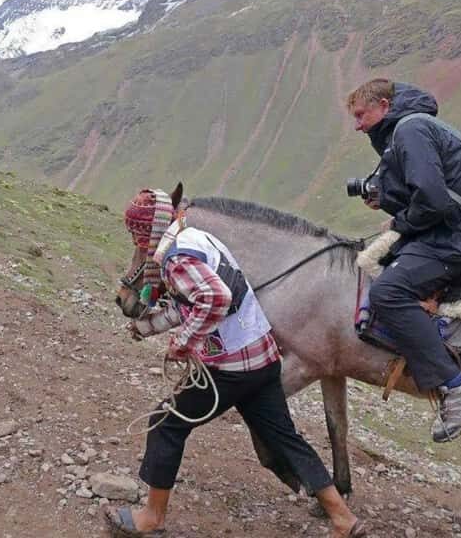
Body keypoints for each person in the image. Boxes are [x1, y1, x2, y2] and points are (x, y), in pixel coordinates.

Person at [106, 188, 366, 538]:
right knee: (286, 438)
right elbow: (191, 304)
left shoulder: (175, 259)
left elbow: (216, 299)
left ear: (147, 233)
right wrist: (145, 327)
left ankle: (152, 518)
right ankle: (343, 518)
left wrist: (184, 344)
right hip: (262, 360)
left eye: (138, 236)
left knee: (165, 424)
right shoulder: (197, 238)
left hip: (230, 369)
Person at [347, 78, 461, 443]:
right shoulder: (406, 130)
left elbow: (433, 202)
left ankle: (457, 384)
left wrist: (397, 221)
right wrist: (387, 200)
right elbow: (426, 195)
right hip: (447, 232)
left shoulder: (411, 130)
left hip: (458, 238)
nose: (357, 124)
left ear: (384, 105)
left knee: (387, 292)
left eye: (361, 114)